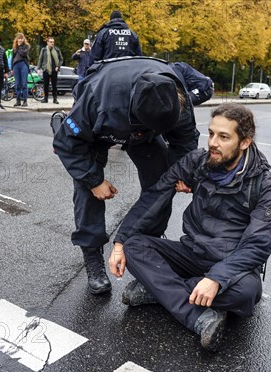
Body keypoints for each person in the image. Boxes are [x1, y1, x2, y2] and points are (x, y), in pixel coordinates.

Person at [107, 103, 271, 352]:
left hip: (230, 263)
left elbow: (259, 244)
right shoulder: (199, 160)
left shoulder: (264, 184)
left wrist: (216, 278)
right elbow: (156, 193)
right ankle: (199, 315)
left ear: (244, 142)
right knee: (135, 247)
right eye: (211, 133)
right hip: (191, 252)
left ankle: (158, 291)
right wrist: (120, 241)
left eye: (223, 137)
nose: (213, 143)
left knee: (247, 293)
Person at [52, 56, 200, 296]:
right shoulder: (97, 98)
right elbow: (68, 144)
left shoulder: (177, 98)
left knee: (163, 182)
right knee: (86, 189)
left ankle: (148, 248)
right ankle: (92, 255)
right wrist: (95, 181)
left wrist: (184, 174)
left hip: (145, 132)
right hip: (100, 126)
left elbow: (184, 142)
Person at [37, 37, 63, 104]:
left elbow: (61, 59)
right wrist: (38, 68)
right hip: (46, 69)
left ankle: (55, 99)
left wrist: (58, 66)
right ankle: (45, 99)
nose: (52, 43)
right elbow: (40, 59)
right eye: (51, 42)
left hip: (54, 70)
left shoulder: (57, 50)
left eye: (53, 42)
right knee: (46, 85)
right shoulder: (44, 50)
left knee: (55, 85)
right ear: (47, 42)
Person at [11, 33, 31, 107]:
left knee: (24, 83)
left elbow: (23, 54)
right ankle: (18, 100)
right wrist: (12, 68)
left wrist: (19, 46)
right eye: (19, 38)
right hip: (16, 65)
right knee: (17, 83)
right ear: (17, 39)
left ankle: (25, 100)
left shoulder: (26, 46)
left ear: (23, 39)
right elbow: (13, 57)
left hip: (23, 64)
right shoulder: (15, 47)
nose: (20, 40)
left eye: (21, 38)